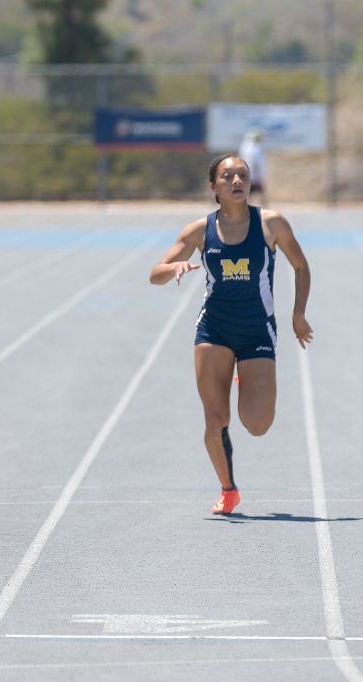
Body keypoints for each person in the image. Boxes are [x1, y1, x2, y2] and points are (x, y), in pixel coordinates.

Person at [149, 153, 312, 515]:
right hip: (214, 330)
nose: (237, 181)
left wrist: (298, 314)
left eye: (243, 175)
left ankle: (244, 375)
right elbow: (155, 274)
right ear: (214, 185)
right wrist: (174, 267)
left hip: (257, 330)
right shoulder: (198, 231)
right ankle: (228, 489)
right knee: (215, 420)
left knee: (257, 424)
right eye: (228, 176)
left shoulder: (271, 224)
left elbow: (301, 267)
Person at [238, 129, 267, 207]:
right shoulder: (256, 148)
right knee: (258, 191)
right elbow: (256, 162)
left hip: (245, 172)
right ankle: (264, 207)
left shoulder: (244, 146)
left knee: (247, 192)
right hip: (254, 174)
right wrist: (259, 175)